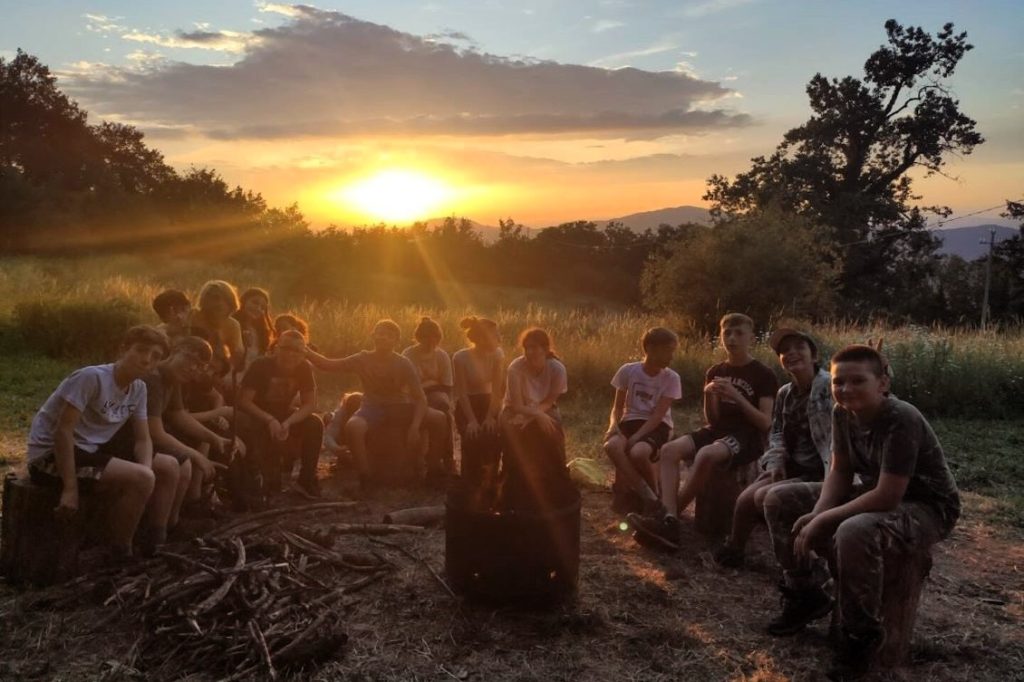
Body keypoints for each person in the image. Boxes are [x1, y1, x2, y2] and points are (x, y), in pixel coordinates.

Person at [762, 344, 960, 680]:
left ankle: (860, 637)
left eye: (858, 381)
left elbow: (887, 495)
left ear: (882, 383)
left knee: (853, 530)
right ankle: (805, 592)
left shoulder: (901, 418)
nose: (846, 389)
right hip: (876, 493)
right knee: (779, 499)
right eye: (839, 382)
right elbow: (839, 472)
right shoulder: (843, 413)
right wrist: (817, 512)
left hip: (927, 506)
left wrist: (824, 519)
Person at [630, 313, 776, 550]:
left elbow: (765, 423)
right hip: (718, 430)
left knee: (706, 455)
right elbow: (713, 420)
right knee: (669, 450)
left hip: (747, 436)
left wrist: (737, 397)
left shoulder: (763, 374)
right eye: (727, 332)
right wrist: (709, 396)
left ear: (751, 337)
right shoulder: (715, 371)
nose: (732, 338)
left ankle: (668, 520)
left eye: (739, 333)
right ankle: (670, 519)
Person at [26, 326, 174, 559]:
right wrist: (70, 489)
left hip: (91, 449)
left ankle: (156, 540)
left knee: (166, 467)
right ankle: (119, 551)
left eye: (155, 357)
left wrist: (146, 469)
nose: (147, 360)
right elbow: (62, 432)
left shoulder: (138, 388)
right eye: (141, 350)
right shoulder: (91, 378)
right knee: (143, 479)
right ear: (124, 349)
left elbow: (143, 439)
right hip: (50, 456)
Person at [713, 328, 832, 568]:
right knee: (746, 499)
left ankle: (799, 567)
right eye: (785, 350)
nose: (791, 353)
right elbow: (776, 432)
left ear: (814, 355)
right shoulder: (786, 393)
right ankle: (735, 550)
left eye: (799, 347)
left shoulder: (830, 386)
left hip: (827, 469)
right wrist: (776, 462)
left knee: (767, 497)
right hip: (794, 465)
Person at [306, 320, 440, 488]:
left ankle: (435, 471)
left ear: (396, 341)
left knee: (440, 418)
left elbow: (420, 398)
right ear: (373, 336)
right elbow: (328, 364)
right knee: (354, 427)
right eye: (380, 333)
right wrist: (305, 351)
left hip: (400, 406)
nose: (383, 337)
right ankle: (365, 477)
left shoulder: (403, 363)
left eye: (389, 335)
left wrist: (415, 426)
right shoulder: (362, 359)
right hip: (372, 407)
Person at [136, 336, 241, 520]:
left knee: (191, 453)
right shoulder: (153, 379)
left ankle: (178, 518)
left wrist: (215, 439)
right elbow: (156, 432)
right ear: (175, 351)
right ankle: (160, 528)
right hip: (133, 438)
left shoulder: (173, 380)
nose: (193, 368)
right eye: (190, 359)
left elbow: (178, 415)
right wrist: (197, 455)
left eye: (200, 365)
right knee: (181, 464)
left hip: (147, 436)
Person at [603, 327, 682, 519]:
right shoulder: (628, 371)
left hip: (658, 425)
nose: (671, 357)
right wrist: (613, 426)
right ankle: (649, 496)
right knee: (611, 446)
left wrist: (637, 437)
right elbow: (617, 408)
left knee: (638, 452)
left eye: (672, 351)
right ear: (650, 348)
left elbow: (658, 415)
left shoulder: (671, 378)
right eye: (667, 351)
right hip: (630, 421)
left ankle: (654, 493)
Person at [237, 330, 323, 501]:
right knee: (271, 486)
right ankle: (259, 477)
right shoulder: (261, 365)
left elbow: (310, 404)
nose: (291, 354)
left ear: (303, 352)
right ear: (276, 348)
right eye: (286, 348)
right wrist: (269, 420)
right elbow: (244, 402)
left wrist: (289, 422)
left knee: (315, 423)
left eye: (297, 350)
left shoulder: (304, 367)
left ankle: (306, 480)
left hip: (284, 414)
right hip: (256, 414)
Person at [499, 328, 570, 510]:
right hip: (515, 409)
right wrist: (535, 415)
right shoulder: (516, 367)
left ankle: (557, 479)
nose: (530, 352)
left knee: (552, 431)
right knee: (514, 432)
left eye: (535, 347)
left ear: (545, 349)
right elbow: (515, 405)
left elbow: (550, 400)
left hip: (545, 407)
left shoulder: (556, 368)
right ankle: (511, 479)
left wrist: (537, 414)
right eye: (527, 348)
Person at [452, 317, 506, 491]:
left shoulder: (498, 354)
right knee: (472, 434)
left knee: (492, 433)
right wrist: (472, 420)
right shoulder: (460, 358)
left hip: (490, 400)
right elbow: (461, 393)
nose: (499, 339)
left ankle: (491, 477)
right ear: (481, 339)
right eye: (495, 336)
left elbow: (498, 391)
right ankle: (470, 478)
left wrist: (490, 417)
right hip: (468, 403)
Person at [402, 317, 455, 477]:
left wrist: (428, 386)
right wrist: (425, 386)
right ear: (418, 337)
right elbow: (406, 384)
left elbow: (446, 385)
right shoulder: (408, 354)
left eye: (434, 337)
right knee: (418, 409)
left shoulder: (442, 356)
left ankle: (445, 457)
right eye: (426, 337)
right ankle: (414, 460)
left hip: (435, 393)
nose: (430, 341)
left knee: (444, 410)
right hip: (412, 394)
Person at [191, 280, 245, 394]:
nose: (219, 303)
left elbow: (237, 355)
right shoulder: (193, 316)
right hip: (190, 367)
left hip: (216, 372)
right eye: (213, 298)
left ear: (230, 303)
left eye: (224, 299)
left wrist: (228, 375)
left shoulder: (232, 325)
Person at [233, 287, 275, 372]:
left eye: (262, 307)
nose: (258, 308)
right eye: (255, 302)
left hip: (250, 379)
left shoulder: (262, 334)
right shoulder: (231, 324)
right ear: (243, 301)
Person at [323, 392, 363, 459]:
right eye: (350, 413)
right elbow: (329, 437)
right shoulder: (341, 412)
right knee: (328, 417)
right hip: (343, 441)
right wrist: (337, 448)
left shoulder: (368, 413)